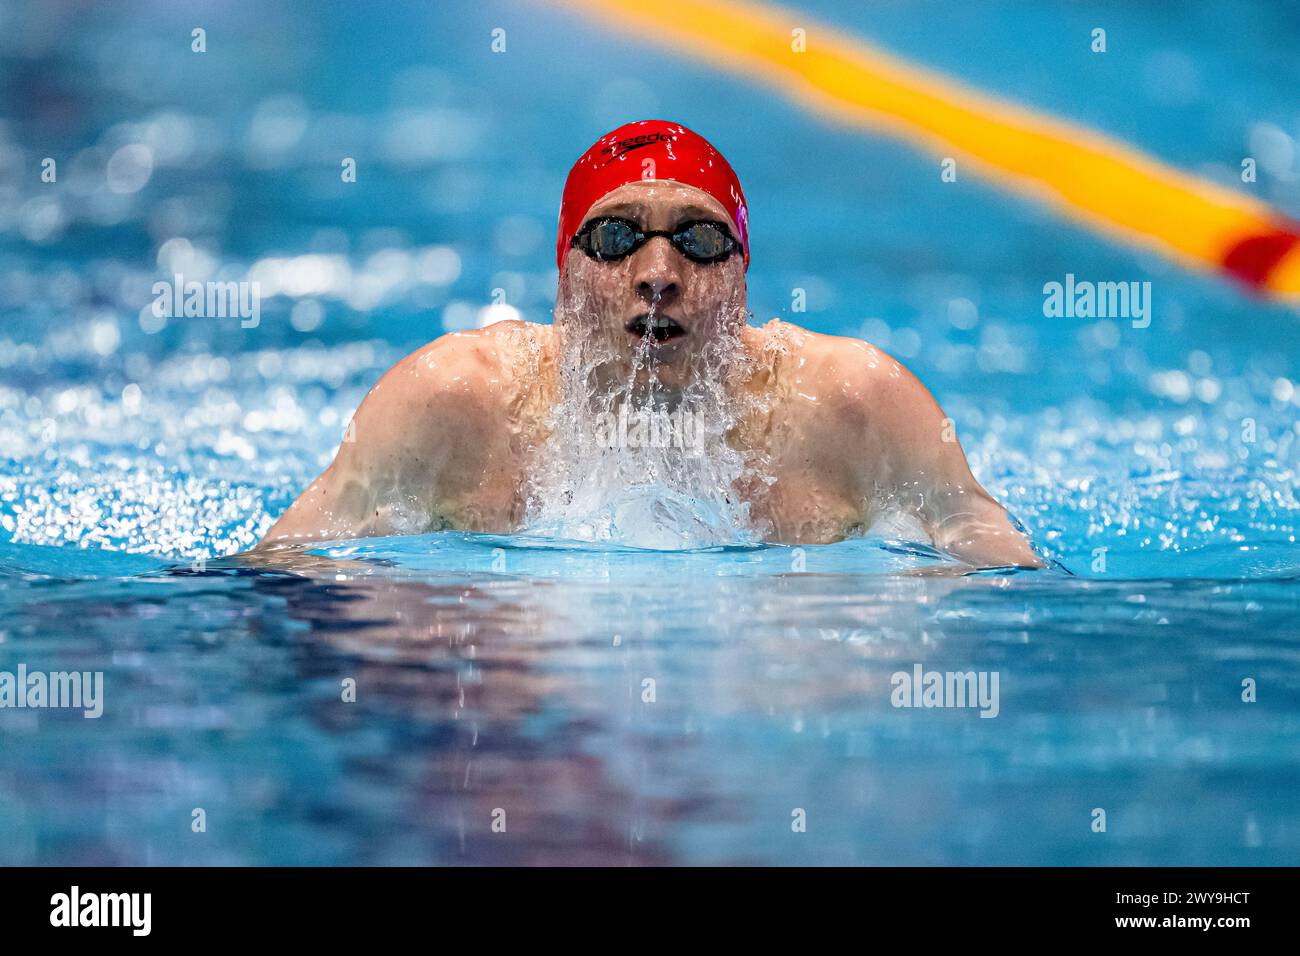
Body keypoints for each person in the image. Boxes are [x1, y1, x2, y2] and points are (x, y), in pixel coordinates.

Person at [257, 120, 1043, 570]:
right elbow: (279, 576)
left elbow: (1006, 579)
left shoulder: (850, 405)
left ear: (742, 276)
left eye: (700, 239)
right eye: (616, 236)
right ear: (563, 275)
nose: (659, 274)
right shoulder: (452, 403)